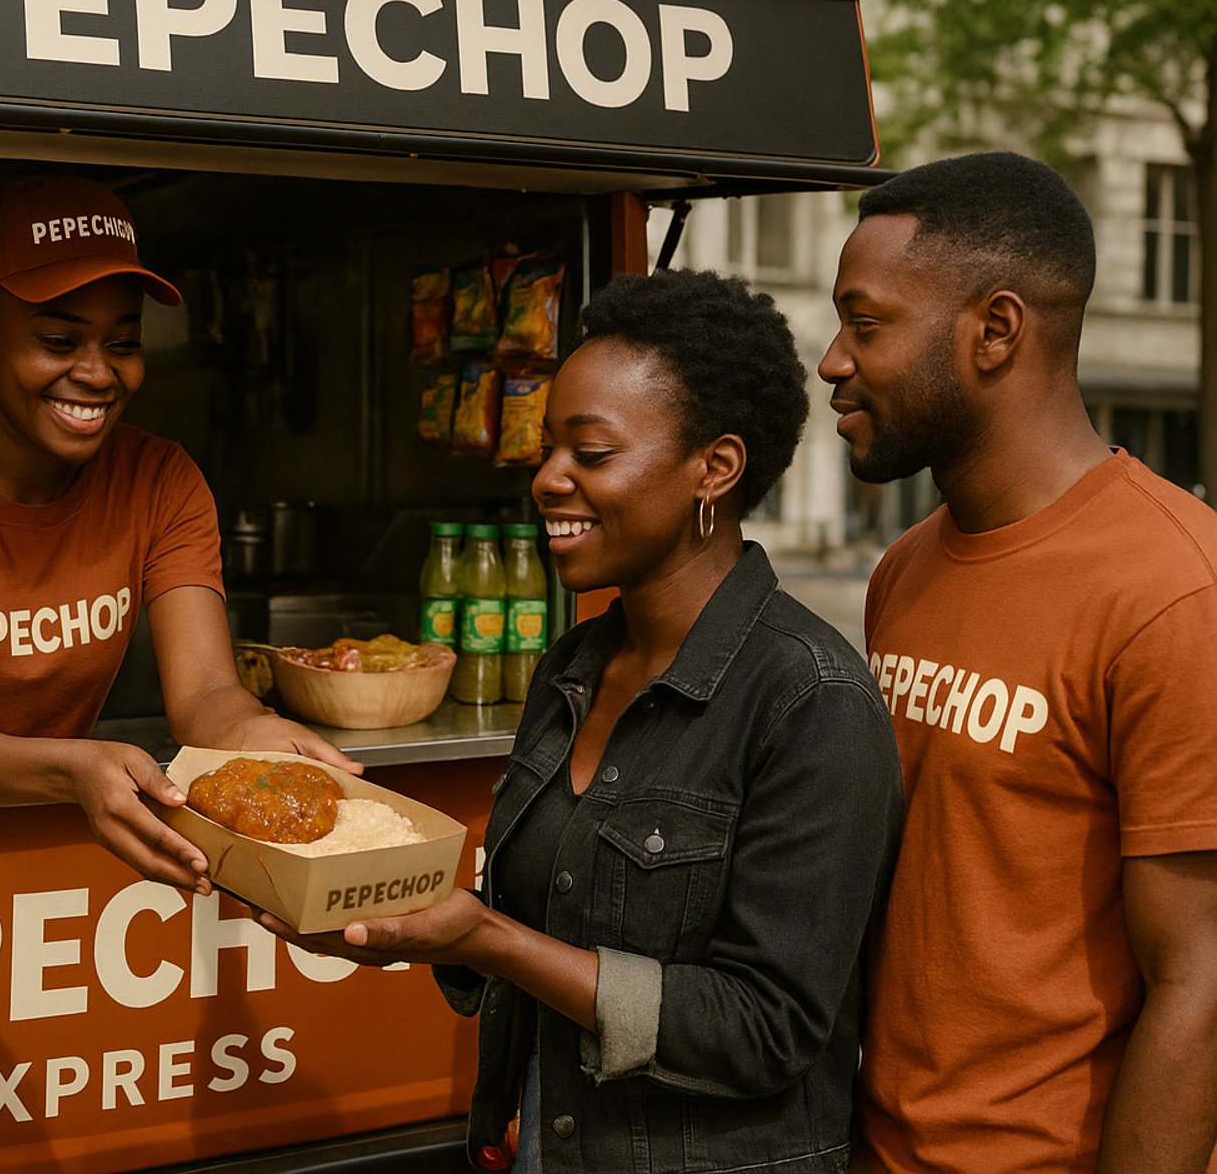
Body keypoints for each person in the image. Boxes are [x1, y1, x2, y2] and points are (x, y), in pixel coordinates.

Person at [264, 269, 905, 1173]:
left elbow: (768, 1030)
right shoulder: (575, 665)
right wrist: (390, 925)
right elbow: (538, 925)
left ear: (713, 468)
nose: (548, 481)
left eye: (591, 454)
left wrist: (489, 940)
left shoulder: (809, 702)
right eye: (546, 449)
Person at [820, 151, 1217, 1174]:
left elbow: (1200, 977)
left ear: (995, 330)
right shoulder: (902, 570)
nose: (832, 359)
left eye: (866, 324)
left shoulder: (1177, 591)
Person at [0, 174, 356, 896]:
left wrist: (254, 734)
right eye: (59, 339)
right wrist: (72, 766)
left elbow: (208, 694)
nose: (97, 374)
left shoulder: (160, 480)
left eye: (123, 342)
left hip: (47, 817)